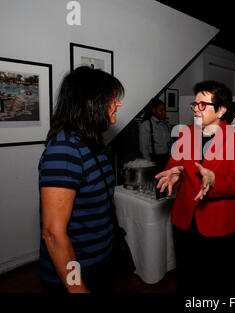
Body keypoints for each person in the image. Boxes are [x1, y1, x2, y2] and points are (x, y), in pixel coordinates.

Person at [155, 80, 235, 294]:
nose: (196, 109)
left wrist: (215, 180)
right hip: (185, 220)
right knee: (188, 279)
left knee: (222, 281)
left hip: (220, 223)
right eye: (194, 104)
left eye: (203, 105)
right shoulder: (185, 133)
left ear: (221, 110)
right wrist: (174, 173)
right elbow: (175, 164)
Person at [38, 66, 125, 293]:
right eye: (113, 98)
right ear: (91, 102)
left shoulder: (91, 142)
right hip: (77, 272)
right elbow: (53, 233)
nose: (118, 104)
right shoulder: (64, 149)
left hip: (100, 263)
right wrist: (77, 287)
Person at [139, 97, 171, 171]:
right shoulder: (146, 125)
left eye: (164, 110)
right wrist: (149, 166)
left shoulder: (166, 124)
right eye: (161, 110)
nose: (164, 112)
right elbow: (144, 149)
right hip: (153, 162)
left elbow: (169, 144)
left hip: (166, 161)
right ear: (153, 110)